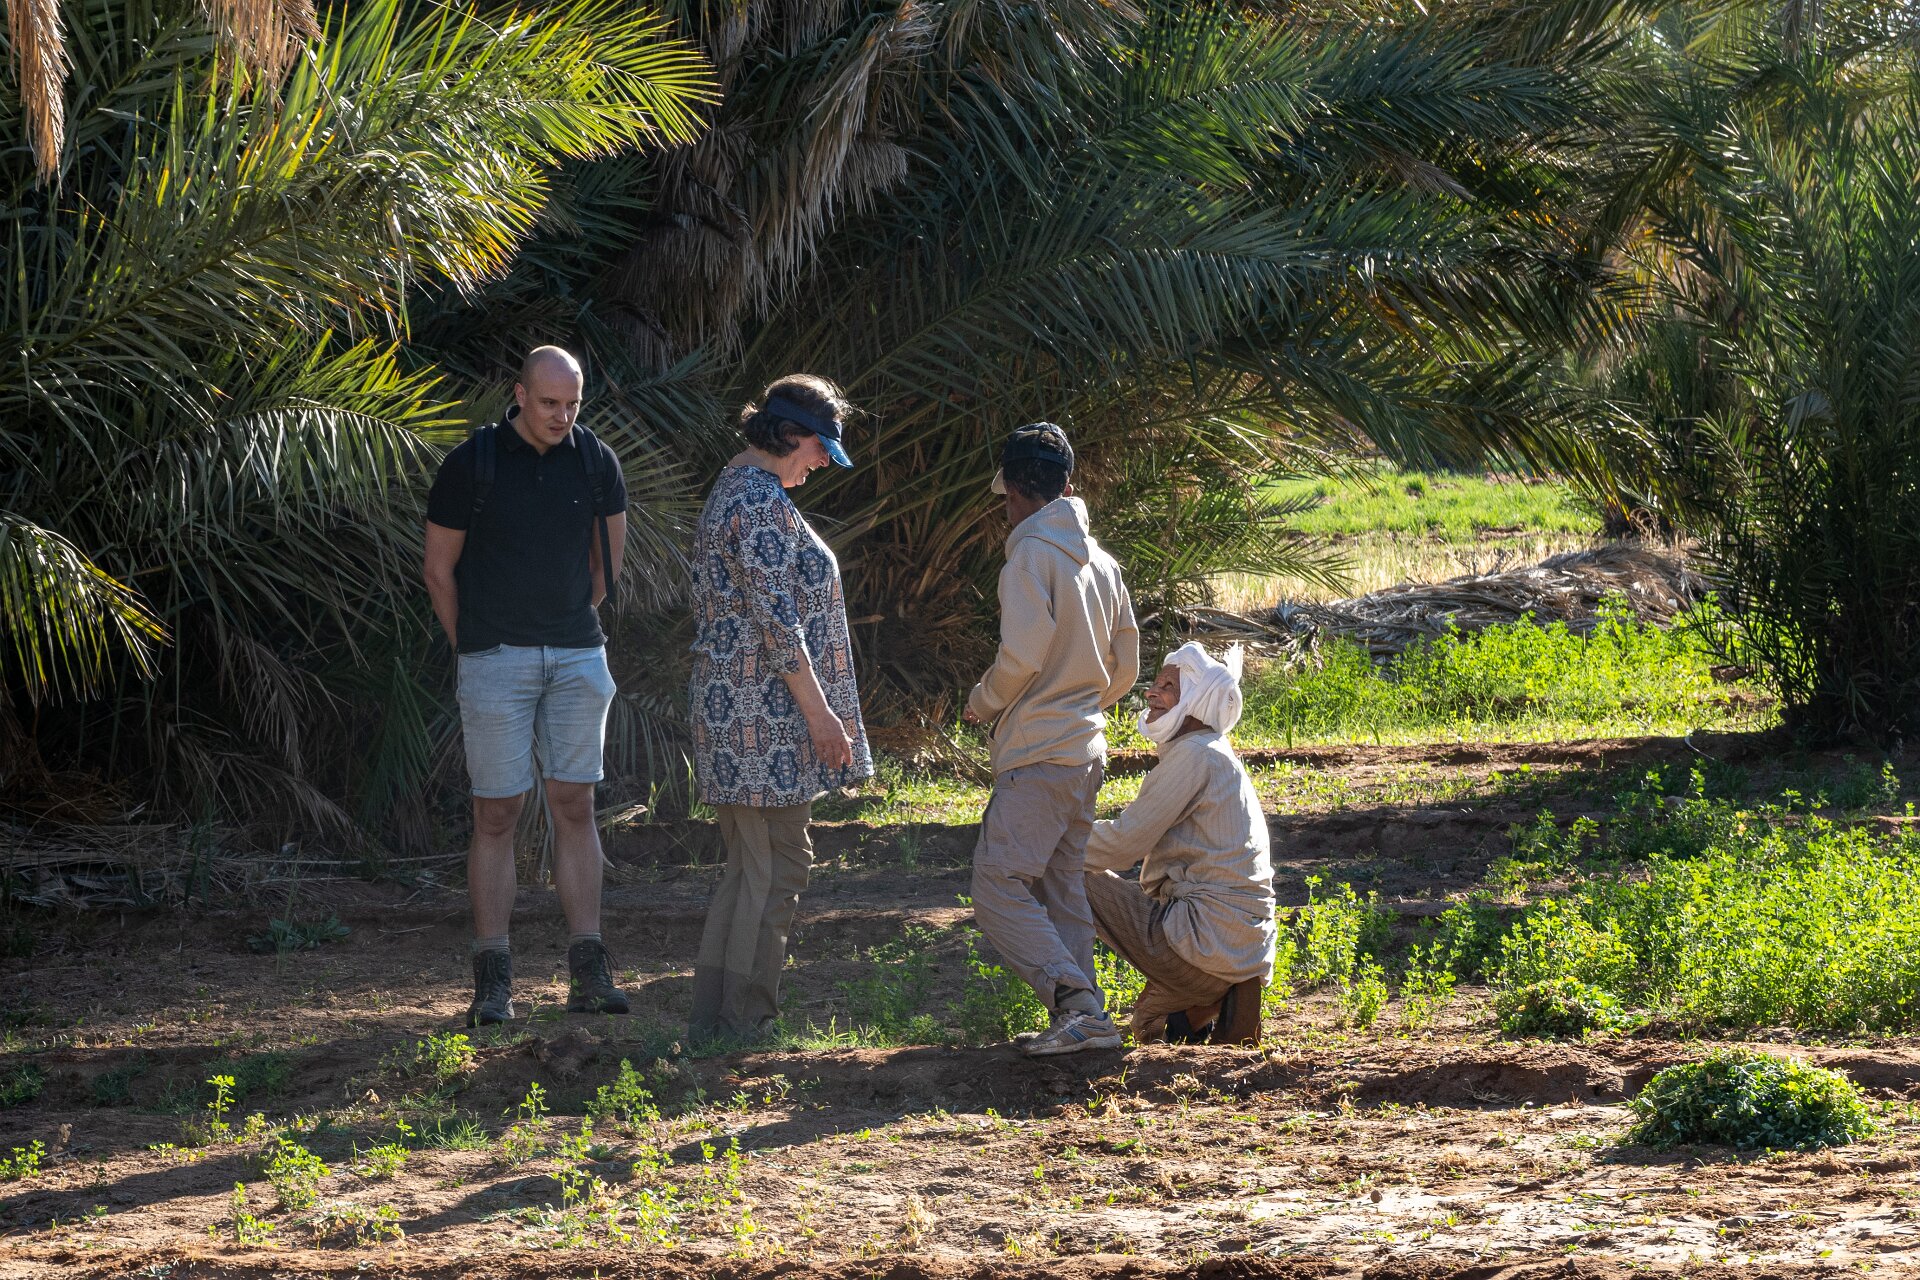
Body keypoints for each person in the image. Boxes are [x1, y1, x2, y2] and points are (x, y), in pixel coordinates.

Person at [423, 346, 631, 1027]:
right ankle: (493, 981)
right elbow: (438, 571)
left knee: (576, 805)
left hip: (577, 655)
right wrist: (475, 646)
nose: (561, 416)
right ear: (519, 394)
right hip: (493, 657)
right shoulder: (472, 462)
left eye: (572, 404)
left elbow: (606, 568)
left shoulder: (595, 460)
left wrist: (563, 626)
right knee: (497, 813)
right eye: (549, 403)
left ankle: (590, 971)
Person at [687, 375, 873, 1044]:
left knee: (751, 868)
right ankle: (744, 1023)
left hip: (741, 710)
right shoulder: (760, 502)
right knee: (778, 867)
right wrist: (823, 717)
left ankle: (714, 1024)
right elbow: (778, 623)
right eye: (820, 447)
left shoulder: (737, 489)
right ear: (790, 435)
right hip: (760, 719)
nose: (822, 462)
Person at [963, 423, 1139, 1056]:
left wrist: (983, 702)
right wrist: (1084, 704)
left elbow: (1022, 655)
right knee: (1062, 887)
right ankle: (1088, 1021)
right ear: (1067, 487)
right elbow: (1127, 664)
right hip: (1087, 750)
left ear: (1013, 492)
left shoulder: (1028, 558)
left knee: (996, 885)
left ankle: (1074, 1003)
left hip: (1039, 751)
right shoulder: (1103, 563)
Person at [1084, 642, 1276, 1046]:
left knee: (1064, 873)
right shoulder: (1213, 753)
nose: (1151, 693)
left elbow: (1123, 844)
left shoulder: (1194, 755)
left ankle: (1074, 1010)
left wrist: (1050, 841)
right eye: (1155, 684)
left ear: (1197, 701)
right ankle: (1221, 996)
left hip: (1203, 938)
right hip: (1241, 946)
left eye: (1168, 686)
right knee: (1146, 1025)